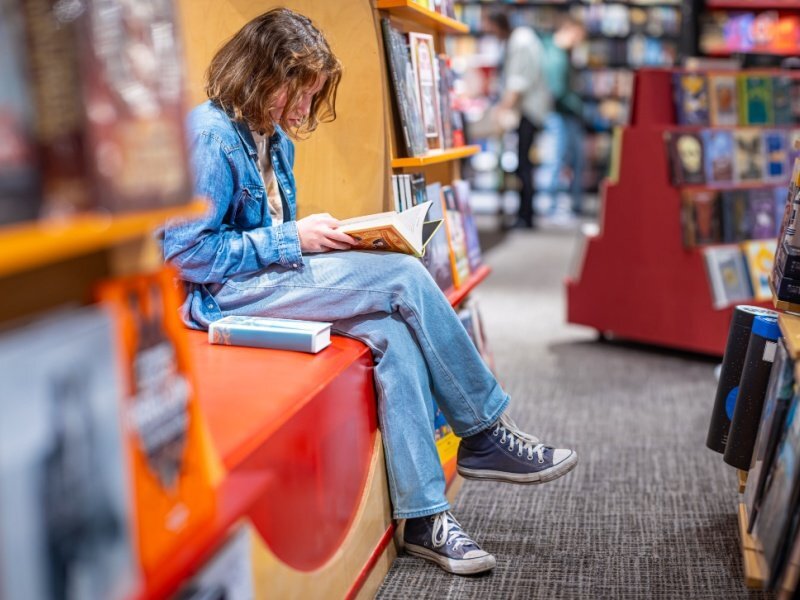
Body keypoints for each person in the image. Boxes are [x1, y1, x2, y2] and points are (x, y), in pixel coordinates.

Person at [162, 8, 577, 575]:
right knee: (405, 277)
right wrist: (293, 238)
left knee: (391, 333)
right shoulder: (210, 135)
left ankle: (426, 518)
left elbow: (274, 231)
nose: (304, 110)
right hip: (225, 296)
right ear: (259, 74)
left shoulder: (273, 139)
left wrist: (324, 238)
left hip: (266, 283)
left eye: (311, 95)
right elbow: (185, 252)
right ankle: (482, 432)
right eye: (297, 93)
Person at [484, 12, 552, 230]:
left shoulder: (521, 41)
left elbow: (518, 83)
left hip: (528, 112)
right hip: (528, 110)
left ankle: (526, 216)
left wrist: (500, 109)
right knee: (523, 163)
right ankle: (524, 214)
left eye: (490, 27)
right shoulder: (521, 38)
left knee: (524, 164)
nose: (488, 32)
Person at [540, 15, 587, 217]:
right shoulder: (555, 55)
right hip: (560, 114)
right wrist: (576, 106)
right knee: (556, 159)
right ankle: (551, 206)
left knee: (572, 160)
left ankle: (566, 205)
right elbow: (557, 90)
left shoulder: (562, 53)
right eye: (578, 36)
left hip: (566, 114)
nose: (579, 41)